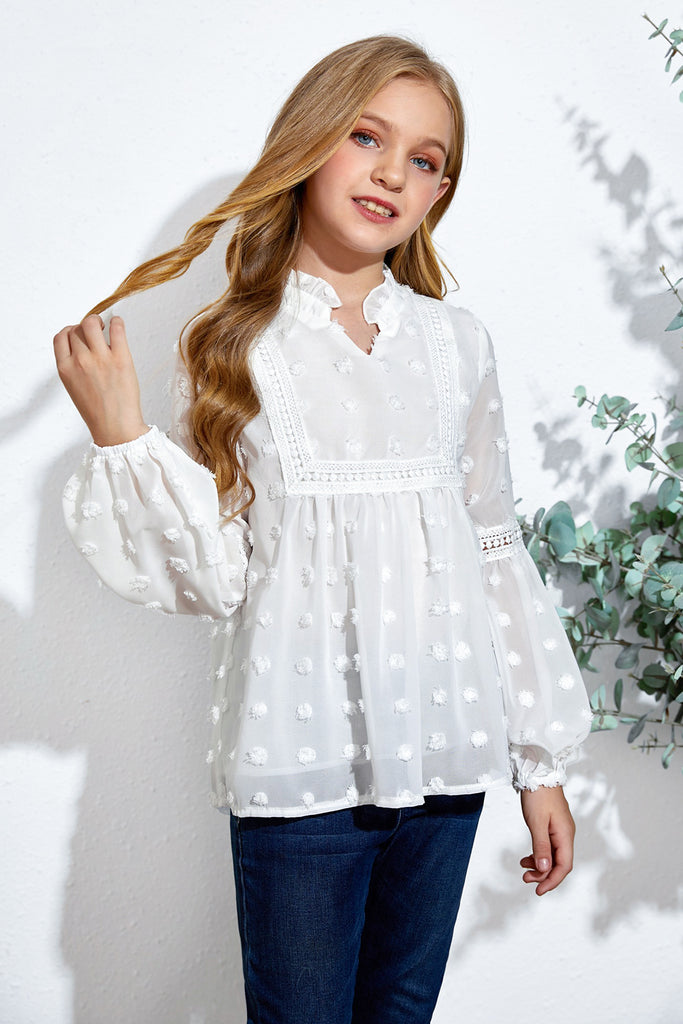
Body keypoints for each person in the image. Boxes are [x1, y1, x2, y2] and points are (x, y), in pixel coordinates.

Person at [53, 35, 593, 1024]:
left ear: (438, 193)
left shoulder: (456, 344)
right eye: (366, 136)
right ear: (309, 143)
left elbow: (491, 547)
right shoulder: (230, 346)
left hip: (446, 761)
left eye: (424, 159)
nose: (392, 172)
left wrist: (540, 763)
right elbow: (220, 575)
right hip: (297, 774)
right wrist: (123, 438)